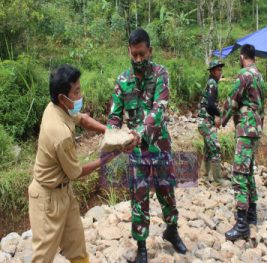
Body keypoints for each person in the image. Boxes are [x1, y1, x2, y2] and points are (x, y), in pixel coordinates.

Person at [107, 28, 187, 263]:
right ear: (129, 52)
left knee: (166, 192)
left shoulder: (161, 73)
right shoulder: (122, 81)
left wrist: (139, 133)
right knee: (139, 197)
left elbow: (158, 109)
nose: (138, 60)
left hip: (159, 146)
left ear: (150, 51)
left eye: (142, 54)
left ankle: (172, 231)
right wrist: (113, 138)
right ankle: (141, 246)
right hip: (136, 153)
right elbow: (114, 117)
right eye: (134, 55)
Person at [28, 64, 108, 263]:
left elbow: (83, 119)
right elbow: (76, 172)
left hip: (65, 193)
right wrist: (107, 158)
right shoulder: (60, 133)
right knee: (43, 258)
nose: (81, 95)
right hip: (47, 199)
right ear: (64, 97)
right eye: (77, 91)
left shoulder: (57, 106)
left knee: (77, 249)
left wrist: (109, 132)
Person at [220, 44, 265, 241]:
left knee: (239, 173)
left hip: (246, 129)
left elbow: (232, 100)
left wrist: (221, 120)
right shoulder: (259, 76)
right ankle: (252, 214)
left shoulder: (244, 75)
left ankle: (241, 225)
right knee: (248, 171)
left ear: (241, 57)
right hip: (256, 129)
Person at [198, 59, 226, 186]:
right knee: (215, 149)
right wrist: (218, 115)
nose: (220, 72)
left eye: (221, 69)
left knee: (208, 150)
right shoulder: (212, 83)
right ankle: (217, 180)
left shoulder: (211, 83)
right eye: (218, 70)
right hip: (206, 122)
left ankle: (204, 178)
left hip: (203, 122)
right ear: (213, 71)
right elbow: (210, 105)